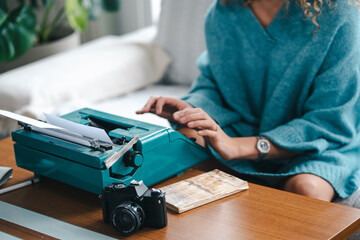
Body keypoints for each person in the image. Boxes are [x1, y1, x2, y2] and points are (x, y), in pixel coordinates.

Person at [137, 0, 360, 202]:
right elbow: (214, 82)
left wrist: (240, 147)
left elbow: (329, 120)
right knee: (185, 143)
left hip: (316, 145)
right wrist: (191, 109)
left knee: (307, 189)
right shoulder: (223, 12)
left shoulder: (340, 14)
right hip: (240, 129)